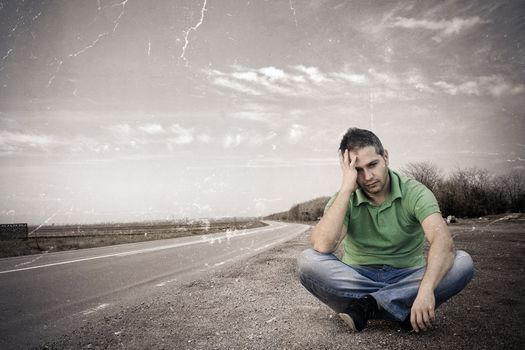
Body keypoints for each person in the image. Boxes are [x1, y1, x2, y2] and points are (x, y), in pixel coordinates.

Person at [296, 127, 474, 333]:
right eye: (358, 170)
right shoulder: (345, 198)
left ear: (386, 157)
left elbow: (443, 241)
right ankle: (401, 306)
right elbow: (322, 245)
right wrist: (346, 188)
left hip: (408, 275)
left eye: (373, 164)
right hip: (358, 276)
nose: (368, 176)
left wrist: (425, 290)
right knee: (307, 261)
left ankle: (369, 305)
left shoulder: (415, 192)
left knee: (463, 262)